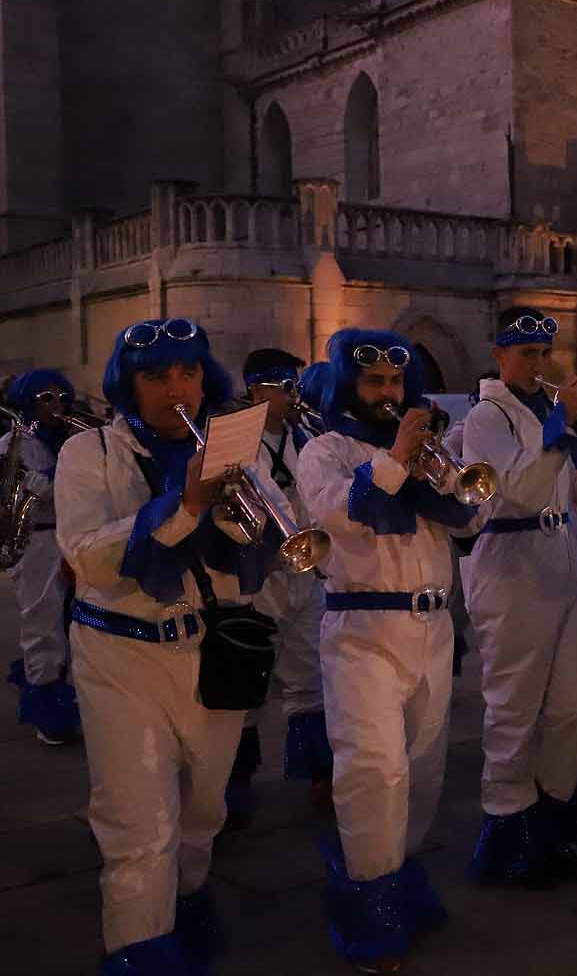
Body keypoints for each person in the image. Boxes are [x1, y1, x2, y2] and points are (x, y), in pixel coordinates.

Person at [58, 318, 290, 974]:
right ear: (127, 384)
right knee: (139, 827)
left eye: (188, 371)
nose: (175, 388)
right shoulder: (91, 453)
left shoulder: (229, 445)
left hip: (208, 651)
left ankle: (183, 909)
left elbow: (252, 557)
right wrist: (183, 506)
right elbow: (87, 556)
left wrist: (243, 520)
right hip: (119, 658)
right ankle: (140, 951)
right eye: (156, 374)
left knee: (203, 813)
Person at [295, 328, 486, 973]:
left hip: (433, 627)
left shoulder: (424, 450)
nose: (386, 393)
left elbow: (471, 518)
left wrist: (446, 471)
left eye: (395, 382)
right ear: (349, 385)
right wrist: (397, 457)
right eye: (373, 382)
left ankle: (395, 879)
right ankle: (369, 905)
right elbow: (330, 514)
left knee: (425, 770)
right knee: (375, 771)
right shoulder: (326, 447)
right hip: (362, 629)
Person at [462, 307, 577, 890]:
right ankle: (508, 835)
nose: (538, 365)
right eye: (526, 355)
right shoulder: (485, 416)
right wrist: (561, 426)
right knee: (514, 707)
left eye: (544, 355)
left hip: (562, 561)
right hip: (512, 567)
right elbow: (512, 490)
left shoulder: (544, 412)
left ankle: (552, 817)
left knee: (574, 706)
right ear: (500, 356)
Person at [237, 349, 332, 821]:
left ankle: (319, 774)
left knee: (310, 674)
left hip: (306, 569)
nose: (295, 392)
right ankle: (234, 785)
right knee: (248, 682)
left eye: (295, 383)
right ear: (256, 390)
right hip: (259, 577)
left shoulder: (307, 436)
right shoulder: (235, 441)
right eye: (283, 384)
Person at [0, 369, 84, 744]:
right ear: (27, 402)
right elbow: (36, 487)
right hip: (36, 540)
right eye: (46, 398)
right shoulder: (12, 444)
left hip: (68, 537)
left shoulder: (64, 439)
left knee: (70, 625)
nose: (57, 405)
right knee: (42, 624)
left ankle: (63, 694)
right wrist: (73, 463)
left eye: (61, 396)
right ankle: (48, 711)